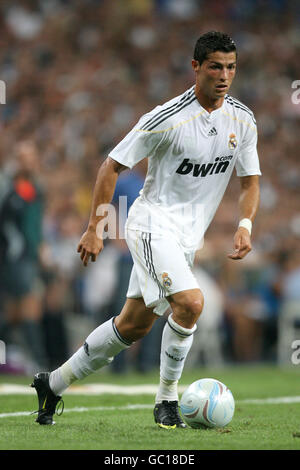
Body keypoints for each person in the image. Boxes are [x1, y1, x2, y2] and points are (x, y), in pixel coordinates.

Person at [31, 31, 261, 428]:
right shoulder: (167, 118)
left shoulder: (242, 119)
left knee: (131, 325)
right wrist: (95, 228)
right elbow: (111, 166)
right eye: (215, 67)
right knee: (191, 303)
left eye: (231, 67)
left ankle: (52, 384)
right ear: (196, 67)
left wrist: (245, 224)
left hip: (188, 238)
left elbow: (250, 180)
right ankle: (167, 400)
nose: (224, 75)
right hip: (151, 224)